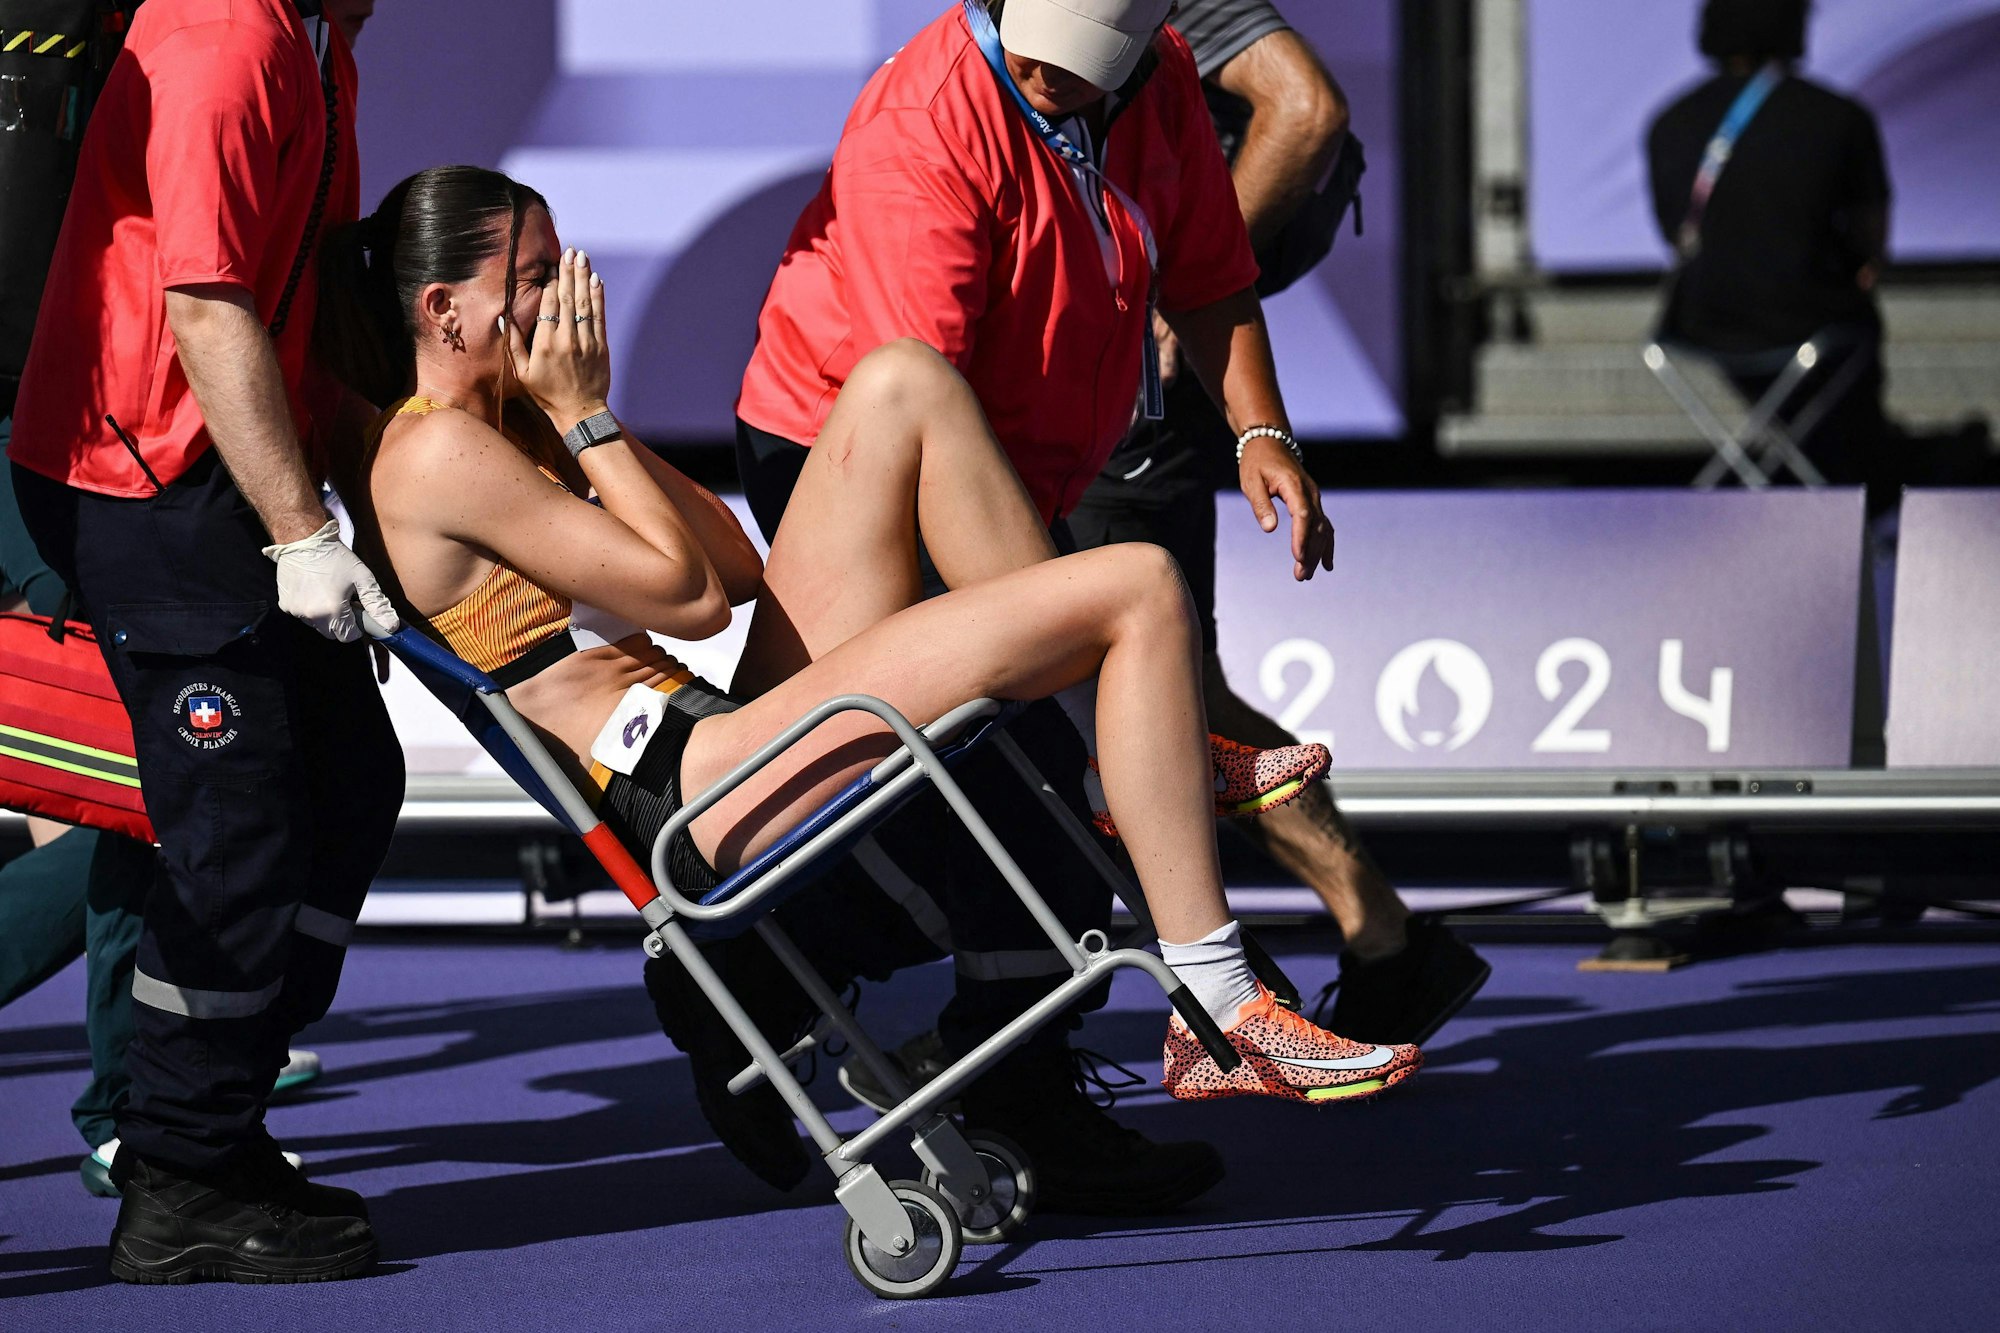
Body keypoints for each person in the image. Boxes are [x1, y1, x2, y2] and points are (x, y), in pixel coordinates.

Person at [321, 163, 1423, 1169]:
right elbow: (690, 596)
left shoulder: (509, 423)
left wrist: (581, 426)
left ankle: (1114, 771)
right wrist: (586, 411)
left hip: (715, 732)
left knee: (902, 380)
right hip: (689, 794)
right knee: (1134, 583)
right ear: (442, 311)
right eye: (533, 277)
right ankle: (1215, 999)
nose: (563, 298)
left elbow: (734, 571)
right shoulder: (436, 450)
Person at [731, 0, 1337, 1211]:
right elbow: (923, 417)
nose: (1066, 86)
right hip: (859, 470)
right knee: (1032, 777)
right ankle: (763, 995)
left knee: (1060, 780)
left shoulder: (1154, 76)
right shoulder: (923, 125)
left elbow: (1213, 275)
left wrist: (1259, 429)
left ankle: (1031, 1079)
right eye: (1046, 63)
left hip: (1016, 473)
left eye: (1091, 70)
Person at [8, 0, 398, 1285]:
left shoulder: (317, 41)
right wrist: (301, 534)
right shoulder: (230, 38)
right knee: (227, 831)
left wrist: (348, 512)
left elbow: (303, 305)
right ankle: (174, 1173)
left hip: (216, 470)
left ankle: (218, 1125)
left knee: (348, 774)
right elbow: (208, 301)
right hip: (147, 477)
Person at [1646, 0, 1891, 505]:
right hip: (1812, 323)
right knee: (1856, 346)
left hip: (1700, 323)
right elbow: (1872, 237)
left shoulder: (1668, 122)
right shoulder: (1838, 118)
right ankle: (1869, 499)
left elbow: (1676, 235)